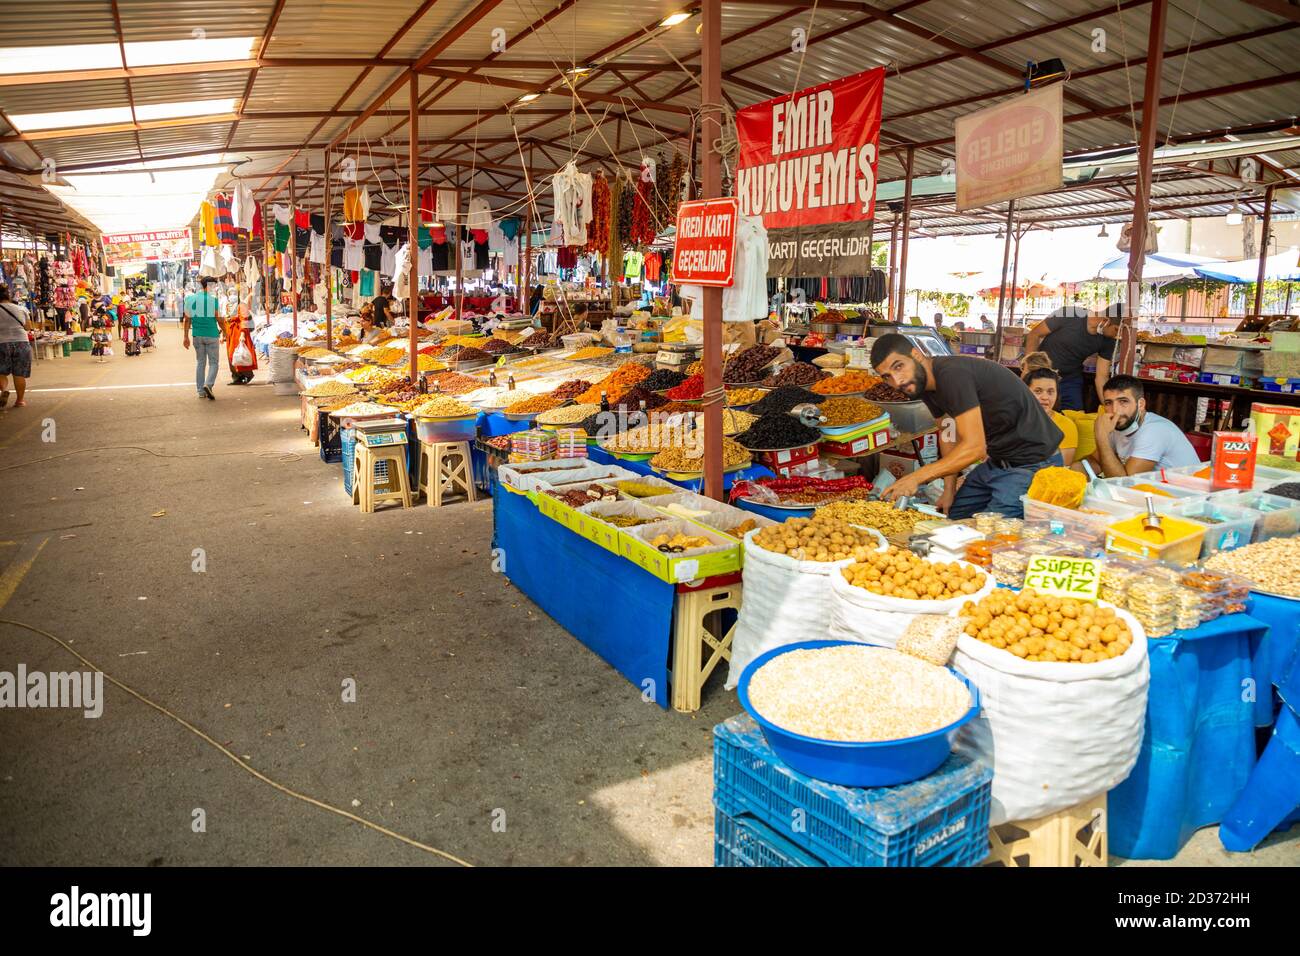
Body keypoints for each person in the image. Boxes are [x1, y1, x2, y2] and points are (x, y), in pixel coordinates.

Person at [870, 333, 1064, 518]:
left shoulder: (952, 375)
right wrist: (949, 489)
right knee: (953, 517)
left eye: (898, 367)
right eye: (887, 376)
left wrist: (916, 477)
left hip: (1034, 464)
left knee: (988, 535)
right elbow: (947, 434)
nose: (897, 381)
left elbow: (975, 448)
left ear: (916, 355)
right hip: (998, 462)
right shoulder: (925, 387)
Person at [1086, 374, 1200, 477]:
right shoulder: (1119, 424)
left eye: (1123, 401)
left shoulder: (1154, 431)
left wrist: (1101, 438)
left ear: (1141, 404)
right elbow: (1093, 461)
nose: (1115, 410)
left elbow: (1125, 484)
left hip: (1186, 496)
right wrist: (1072, 477)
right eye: (1108, 403)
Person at [1023, 304, 1121, 411]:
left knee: (1074, 416)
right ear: (1106, 320)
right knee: (1037, 412)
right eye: (1116, 330)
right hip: (1044, 374)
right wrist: (1029, 369)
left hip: (1070, 379)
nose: (1117, 335)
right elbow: (1034, 334)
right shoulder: (1068, 313)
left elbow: (1102, 377)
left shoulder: (1108, 340)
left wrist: (1110, 408)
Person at [1021, 352, 1078, 466]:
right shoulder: (1014, 419)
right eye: (1038, 391)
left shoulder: (1066, 425)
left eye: (1051, 392)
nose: (1045, 397)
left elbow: (1062, 466)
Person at [183, 276, 224, 400]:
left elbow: (187, 320)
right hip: (212, 334)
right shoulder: (213, 300)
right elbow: (219, 319)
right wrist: (226, 332)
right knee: (214, 363)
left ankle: (201, 391)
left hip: (197, 335)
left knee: (200, 362)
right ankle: (208, 384)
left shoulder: (190, 299)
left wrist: (185, 337)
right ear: (210, 286)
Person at [0, 287, 33, 408]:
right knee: (19, 374)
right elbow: (28, 327)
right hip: (21, 343)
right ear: (8, 296)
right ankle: (20, 401)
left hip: (1, 343)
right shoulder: (21, 308)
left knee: (1, 372)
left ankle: (4, 390)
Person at [225, 302, 257, 385]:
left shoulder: (242, 306)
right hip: (231, 334)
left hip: (238, 334)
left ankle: (247, 374)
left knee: (240, 355)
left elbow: (244, 320)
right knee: (232, 356)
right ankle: (237, 377)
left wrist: (242, 334)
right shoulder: (230, 305)